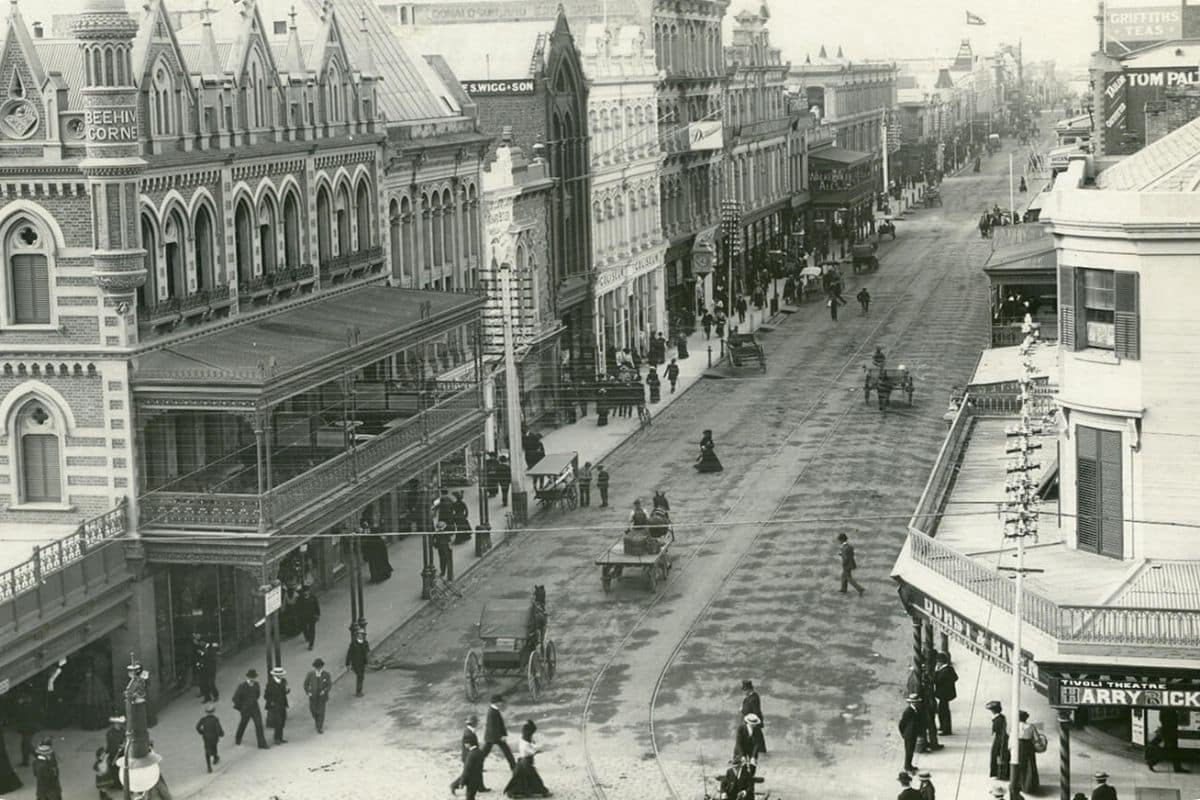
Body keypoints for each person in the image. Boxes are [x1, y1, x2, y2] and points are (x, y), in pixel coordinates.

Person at [504, 719, 551, 798]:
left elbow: (532, 746)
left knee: (520, 779)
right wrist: (538, 750)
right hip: (526, 762)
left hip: (522, 762)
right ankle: (543, 792)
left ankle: (513, 792)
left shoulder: (523, 739)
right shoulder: (525, 743)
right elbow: (531, 751)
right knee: (535, 778)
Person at [232, 669, 269, 749]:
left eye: (254, 677)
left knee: (259, 725)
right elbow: (235, 698)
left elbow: (257, 695)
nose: (253, 679)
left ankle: (262, 744)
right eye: (251, 677)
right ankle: (238, 738)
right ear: (248, 677)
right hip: (245, 709)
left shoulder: (256, 685)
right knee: (243, 724)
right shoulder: (242, 686)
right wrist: (241, 707)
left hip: (255, 708)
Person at [451, 715, 485, 794]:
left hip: (471, 755)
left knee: (478, 771)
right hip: (469, 756)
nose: (477, 724)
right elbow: (468, 746)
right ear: (473, 724)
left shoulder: (470, 731)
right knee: (468, 774)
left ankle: (481, 787)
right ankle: (454, 785)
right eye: (476, 723)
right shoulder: (468, 733)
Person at [482, 695, 517, 771]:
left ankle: (514, 766)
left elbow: (500, 724)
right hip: (493, 737)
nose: (501, 703)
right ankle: (514, 767)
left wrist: (504, 734)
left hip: (492, 737)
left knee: (484, 753)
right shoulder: (492, 712)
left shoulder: (494, 710)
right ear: (496, 702)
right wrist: (501, 736)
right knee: (507, 751)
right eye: (500, 702)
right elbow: (493, 727)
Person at [1148, 708, 1188, 772]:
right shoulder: (1169, 709)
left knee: (1174, 750)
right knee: (1168, 750)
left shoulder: (1164, 709)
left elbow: (1162, 719)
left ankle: (1177, 768)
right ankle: (1152, 762)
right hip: (1170, 732)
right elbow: (1173, 720)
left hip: (1168, 730)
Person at [933, 652, 959, 735]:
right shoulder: (949, 669)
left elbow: (937, 680)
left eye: (938, 662)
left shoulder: (945, 670)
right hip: (946, 694)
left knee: (943, 712)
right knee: (943, 711)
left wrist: (936, 672)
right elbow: (955, 678)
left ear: (940, 662)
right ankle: (944, 727)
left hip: (943, 695)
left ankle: (945, 729)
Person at [303, 658, 332, 734]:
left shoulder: (326, 674)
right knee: (313, 711)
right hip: (313, 696)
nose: (318, 669)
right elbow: (305, 684)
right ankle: (317, 721)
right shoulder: (310, 674)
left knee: (321, 712)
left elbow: (329, 685)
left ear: (322, 667)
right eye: (317, 667)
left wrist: (325, 691)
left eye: (319, 667)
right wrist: (308, 692)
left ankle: (319, 727)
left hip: (322, 697)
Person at [1015, 710, 1039, 793]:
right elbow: (1037, 738)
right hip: (1029, 746)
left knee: (1020, 764)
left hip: (1020, 745)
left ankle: (1020, 784)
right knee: (1030, 764)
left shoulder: (1016, 726)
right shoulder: (1031, 726)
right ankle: (1030, 786)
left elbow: (1012, 737)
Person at [195, 704, 224, 773]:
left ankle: (209, 766)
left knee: (207, 750)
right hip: (214, 737)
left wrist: (202, 732)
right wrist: (221, 733)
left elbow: (197, 727)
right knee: (214, 747)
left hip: (206, 737)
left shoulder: (203, 719)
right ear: (213, 711)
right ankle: (215, 757)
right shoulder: (215, 719)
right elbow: (218, 728)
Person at [899, 693, 922, 774]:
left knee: (911, 751)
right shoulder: (908, 711)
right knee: (908, 751)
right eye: (914, 702)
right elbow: (902, 724)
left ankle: (909, 765)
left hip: (913, 734)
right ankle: (907, 766)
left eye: (916, 702)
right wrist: (904, 734)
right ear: (911, 702)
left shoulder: (915, 710)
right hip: (909, 735)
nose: (916, 703)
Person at [740, 681, 766, 752]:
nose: (744, 692)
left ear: (749, 689)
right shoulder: (749, 697)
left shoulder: (753, 698)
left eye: (744, 690)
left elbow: (756, 712)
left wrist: (755, 724)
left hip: (752, 724)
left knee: (757, 744)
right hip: (749, 723)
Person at [986, 700, 1009, 780]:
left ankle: (998, 773)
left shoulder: (997, 720)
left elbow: (995, 730)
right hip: (1002, 737)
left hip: (999, 739)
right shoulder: (1002, 717)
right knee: (1001, 755)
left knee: (996, 754)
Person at [346, 627, 370, 697]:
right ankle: (358, 691)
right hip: (355, 663)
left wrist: (367, 661)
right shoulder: (353, 643)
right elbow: (349, 653)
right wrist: (348, 663)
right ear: (357, 635)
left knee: (361, 676)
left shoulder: (365, 643)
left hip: (362, 662)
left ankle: (359, 691)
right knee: (360, 675)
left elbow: (367, 652)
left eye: (362, 634)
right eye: (359, 634)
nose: (361, 635)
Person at [296, 585, 320, 650]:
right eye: (305, 592)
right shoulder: (300, 598)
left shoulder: (313, 597)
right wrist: (298, 617)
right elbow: (298, 608)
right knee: (304, 628)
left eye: (307, 591)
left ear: (309, 591)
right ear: (303, 592)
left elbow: (317, 606)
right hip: (303, 617)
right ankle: (307, 637)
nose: (306, 593)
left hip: (312, 616)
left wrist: (318, 614)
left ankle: (311, 644)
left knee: (312, 630)